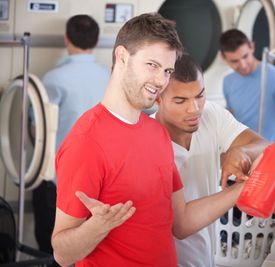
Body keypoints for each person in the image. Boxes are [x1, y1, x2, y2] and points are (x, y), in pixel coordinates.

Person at [51, 13, 250, 267]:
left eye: (167, 70)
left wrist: (243, 188)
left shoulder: (156, 133)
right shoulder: (86, 143)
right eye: (152, 65)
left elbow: (181, 222)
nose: (161, 81)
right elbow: (62, 253)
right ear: (122, 56)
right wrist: (97, 227)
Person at [155, 54, 268, 266]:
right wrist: (242, 189)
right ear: (158, 98)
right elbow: (181, 225)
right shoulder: (150, 140)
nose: (194, 109)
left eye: (199, 96)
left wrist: (241, 151)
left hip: (207, 257)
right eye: (181, 101)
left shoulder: (211, 115)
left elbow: (264, 146)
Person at [32, 14, 109, 261]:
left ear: (67, 39)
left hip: (60, 180)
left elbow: (38, 131)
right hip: (99, 183)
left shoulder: (54, 79)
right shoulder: (110, 78)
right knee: (90, 248)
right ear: (96, 42)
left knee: (52, 247)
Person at [219, 29, 275, 151]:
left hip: (269, 152)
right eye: (234, 61)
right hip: (239, 151)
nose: (242, 64)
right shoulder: (228, 81)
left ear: (252, 47)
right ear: (223, 58)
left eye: (245, 56)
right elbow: (231, 116)